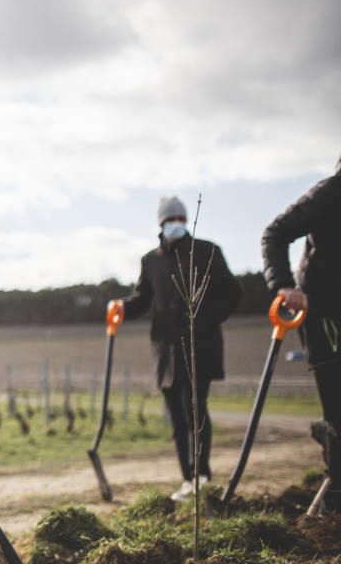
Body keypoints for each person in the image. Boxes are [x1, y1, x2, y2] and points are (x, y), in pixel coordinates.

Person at [113, 197, 241, 501]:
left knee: (195, 412)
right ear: (160, 224)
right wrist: (121, 307)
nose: (175, 223)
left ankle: (203, 476)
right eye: (169, 219)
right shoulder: (151, 261)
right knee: (176, 419)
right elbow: (143, 299)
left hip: (200, 348)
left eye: (180, 218)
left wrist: (206, 318)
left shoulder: (207, 252)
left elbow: (232, 293)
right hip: (165, 353)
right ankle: (187, 479)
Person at [261, 157, 341, 512]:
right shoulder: (329, 193)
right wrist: (283, 286)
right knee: (337, 401)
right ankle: (336, 497)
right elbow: (274, 233)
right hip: (321, 309)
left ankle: (328, 434)